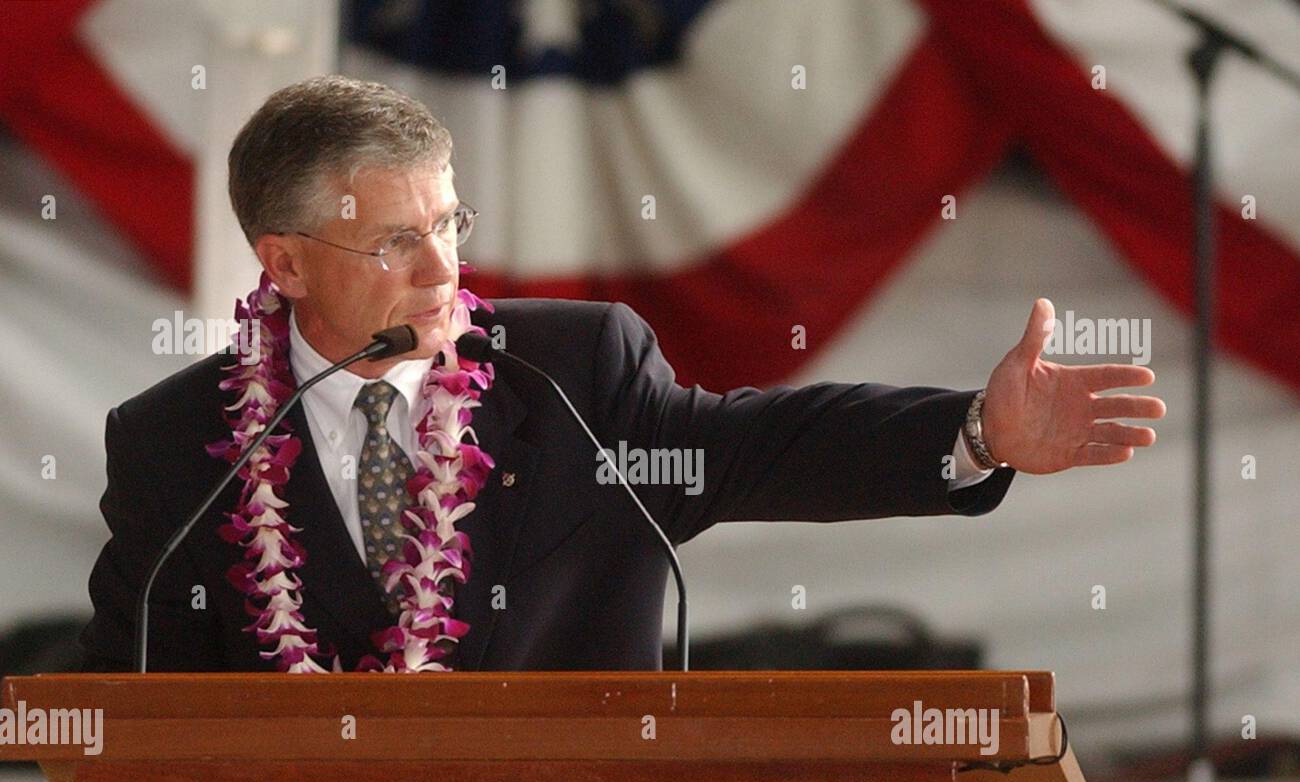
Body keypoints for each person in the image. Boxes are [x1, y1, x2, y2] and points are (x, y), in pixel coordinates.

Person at [78, 75, 1165, 676]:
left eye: (450, 224)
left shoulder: (573, 376)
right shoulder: (177, 444)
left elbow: (765, 449)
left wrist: (976, 430)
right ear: (283, 261)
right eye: (395, 243)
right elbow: (126, 713)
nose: (446, 270)